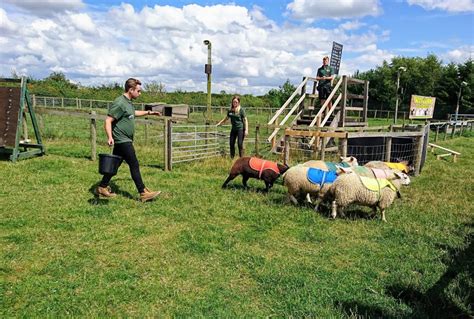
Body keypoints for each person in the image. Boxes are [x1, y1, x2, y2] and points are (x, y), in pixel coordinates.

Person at [95, 78, 162, 202]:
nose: (140, 93)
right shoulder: (120, 103)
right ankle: (142, 192)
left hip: (124, 140)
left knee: (114, 165)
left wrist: (149, 112)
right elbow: (108, 120)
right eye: (138, 91)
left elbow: (133, 113)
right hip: (122, 140)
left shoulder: (128, 102)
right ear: (131, 90)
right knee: (134, 164)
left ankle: (102, 187)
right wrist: (110, 137)